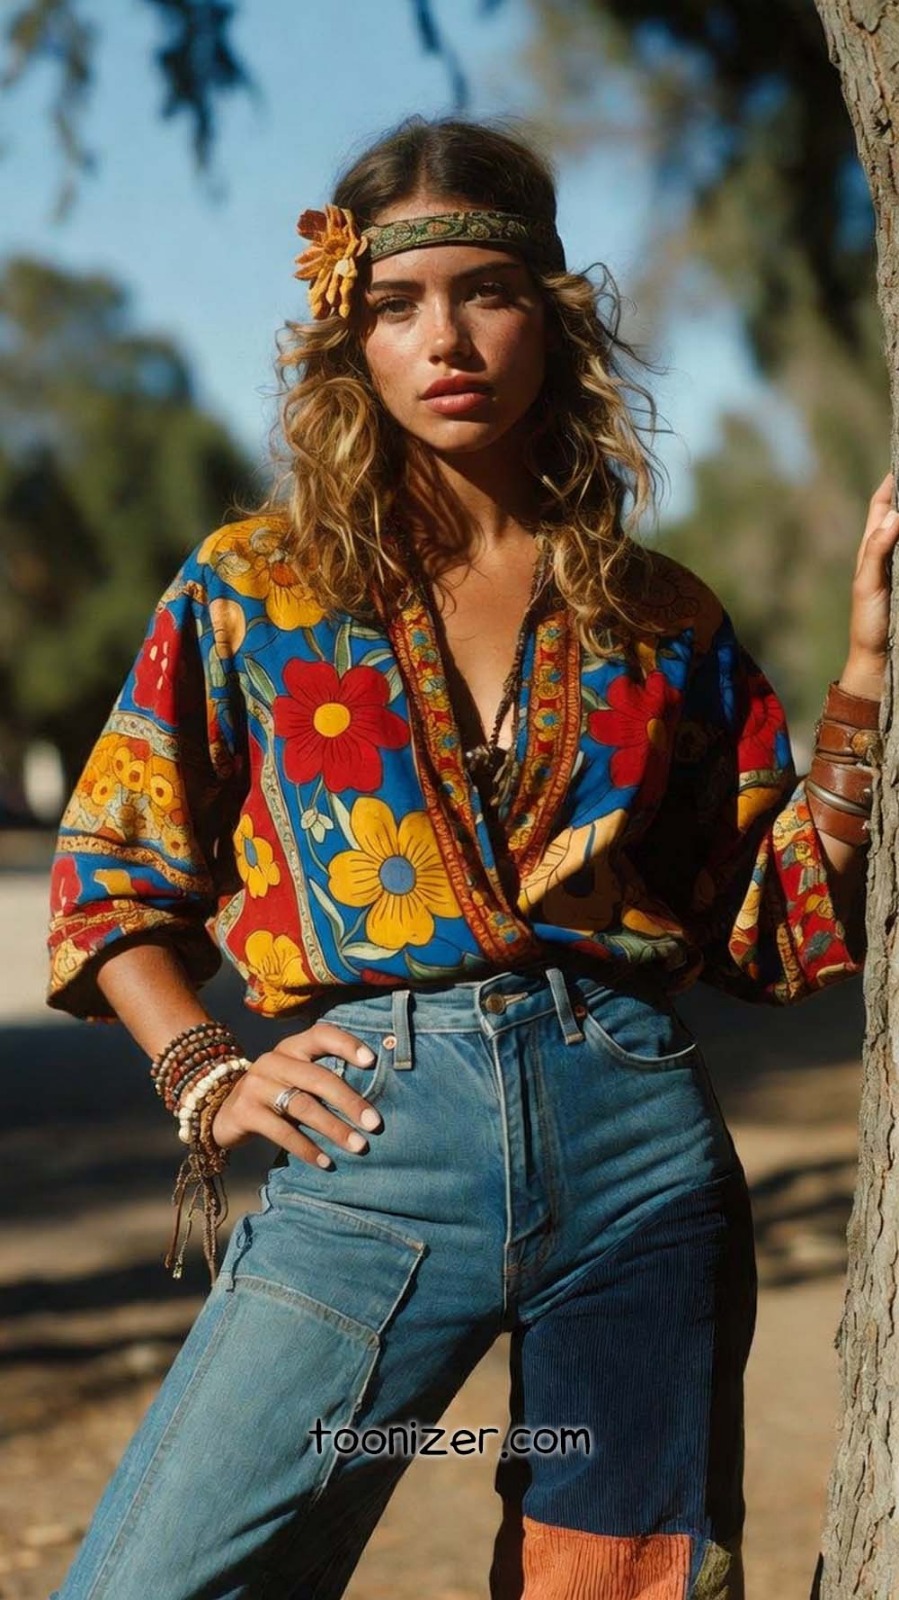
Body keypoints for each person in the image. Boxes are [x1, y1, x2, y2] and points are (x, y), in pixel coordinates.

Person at [46, 114, 896, 1600]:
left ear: (552, 322)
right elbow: (113, 858)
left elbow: (767, 931)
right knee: (158, 1580)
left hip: (641, 1153)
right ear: (350, 340)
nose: (447, 338)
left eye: (486, 293)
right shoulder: (254, 589)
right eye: (397, 304)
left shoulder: (661, 617)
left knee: (620, 1585)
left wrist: (870, 672)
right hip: (374, 1153)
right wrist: (204, 1069)